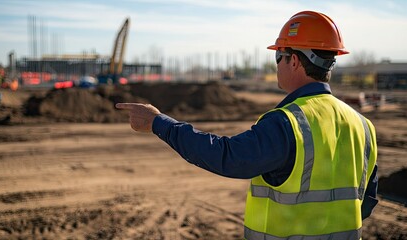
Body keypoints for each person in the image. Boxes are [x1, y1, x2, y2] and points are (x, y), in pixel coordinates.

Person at [116, 10, 378, 240]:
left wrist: (159, 123)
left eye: (279, 57)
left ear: (294, 61)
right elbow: (366, 202)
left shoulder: (288, 122)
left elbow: (227, 157)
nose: (276, 65)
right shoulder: (362, 126)